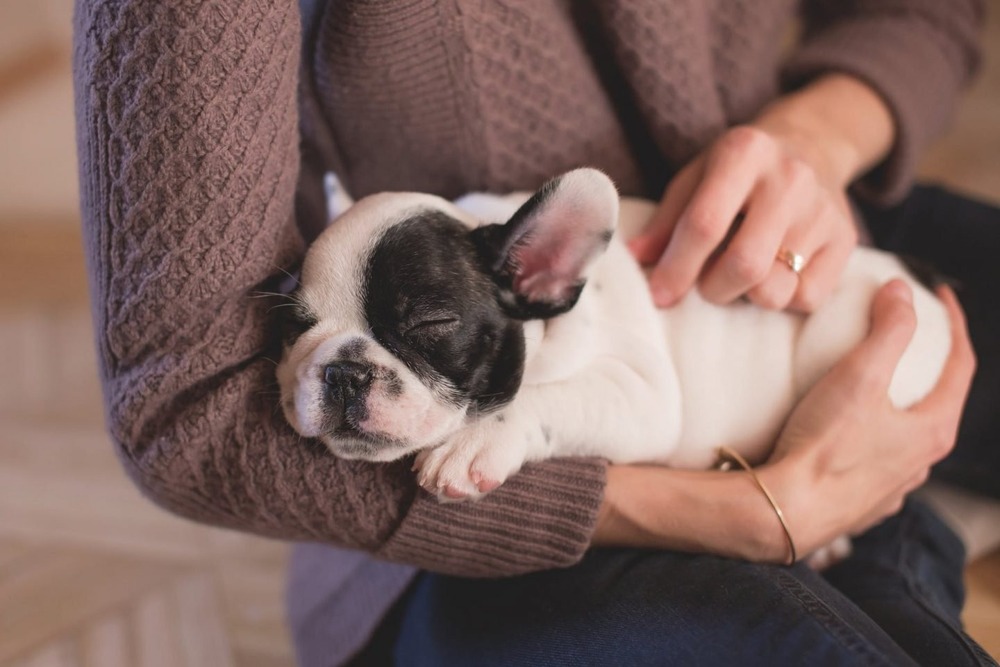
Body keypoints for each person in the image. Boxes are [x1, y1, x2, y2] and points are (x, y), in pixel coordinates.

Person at [72, 0, 998, 664]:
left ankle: (894, 531)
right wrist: (751, 516)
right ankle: (903, 539)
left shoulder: (523, 267)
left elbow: (927, 16)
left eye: (421, 334)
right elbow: (185, 406)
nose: (347, 372)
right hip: (476, 538)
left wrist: (817, 137)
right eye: (306, 330)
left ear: (545, 275)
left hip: (794, 249)